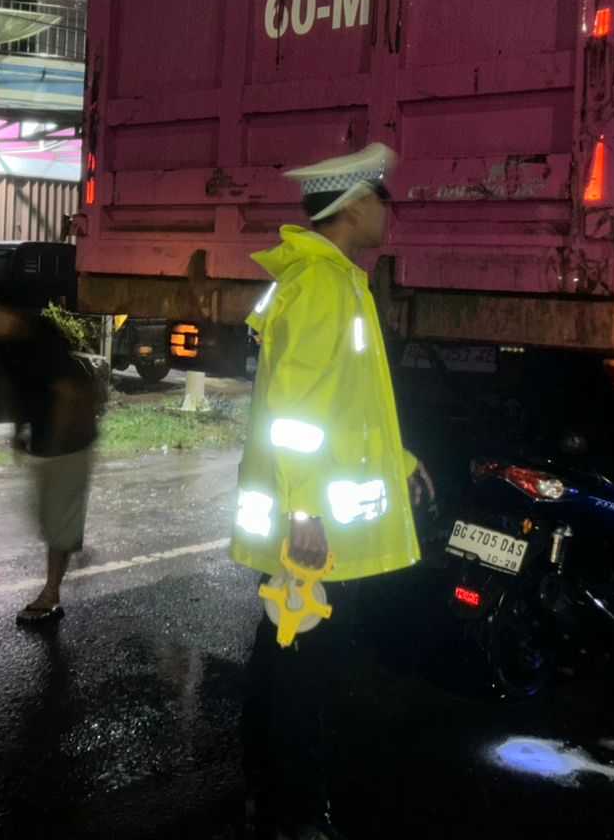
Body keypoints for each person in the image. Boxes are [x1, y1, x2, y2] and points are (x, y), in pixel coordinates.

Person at [231, 142, 435, 840]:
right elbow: (297, 409)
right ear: (352, 206)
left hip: (310, 517)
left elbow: (351, 403)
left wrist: (400, 458)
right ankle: (298, 816)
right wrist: (305, 510)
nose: (390, 210)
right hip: (317, 535)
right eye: (383, 197)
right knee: (305, 675)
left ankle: (265, 789)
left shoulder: (334, 279)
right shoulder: (321, 286)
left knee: (283, 656)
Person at [0, 282, 98, 626]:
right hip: (47, 440)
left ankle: (50, 595)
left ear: (2, 308)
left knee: (57, 519)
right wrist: (17, 431)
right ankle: (69, 548)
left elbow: (69, 393)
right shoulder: (3, 346)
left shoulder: (42, 338)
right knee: (47, 517)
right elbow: (17, 391)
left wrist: (54, 448)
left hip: (72, 438)